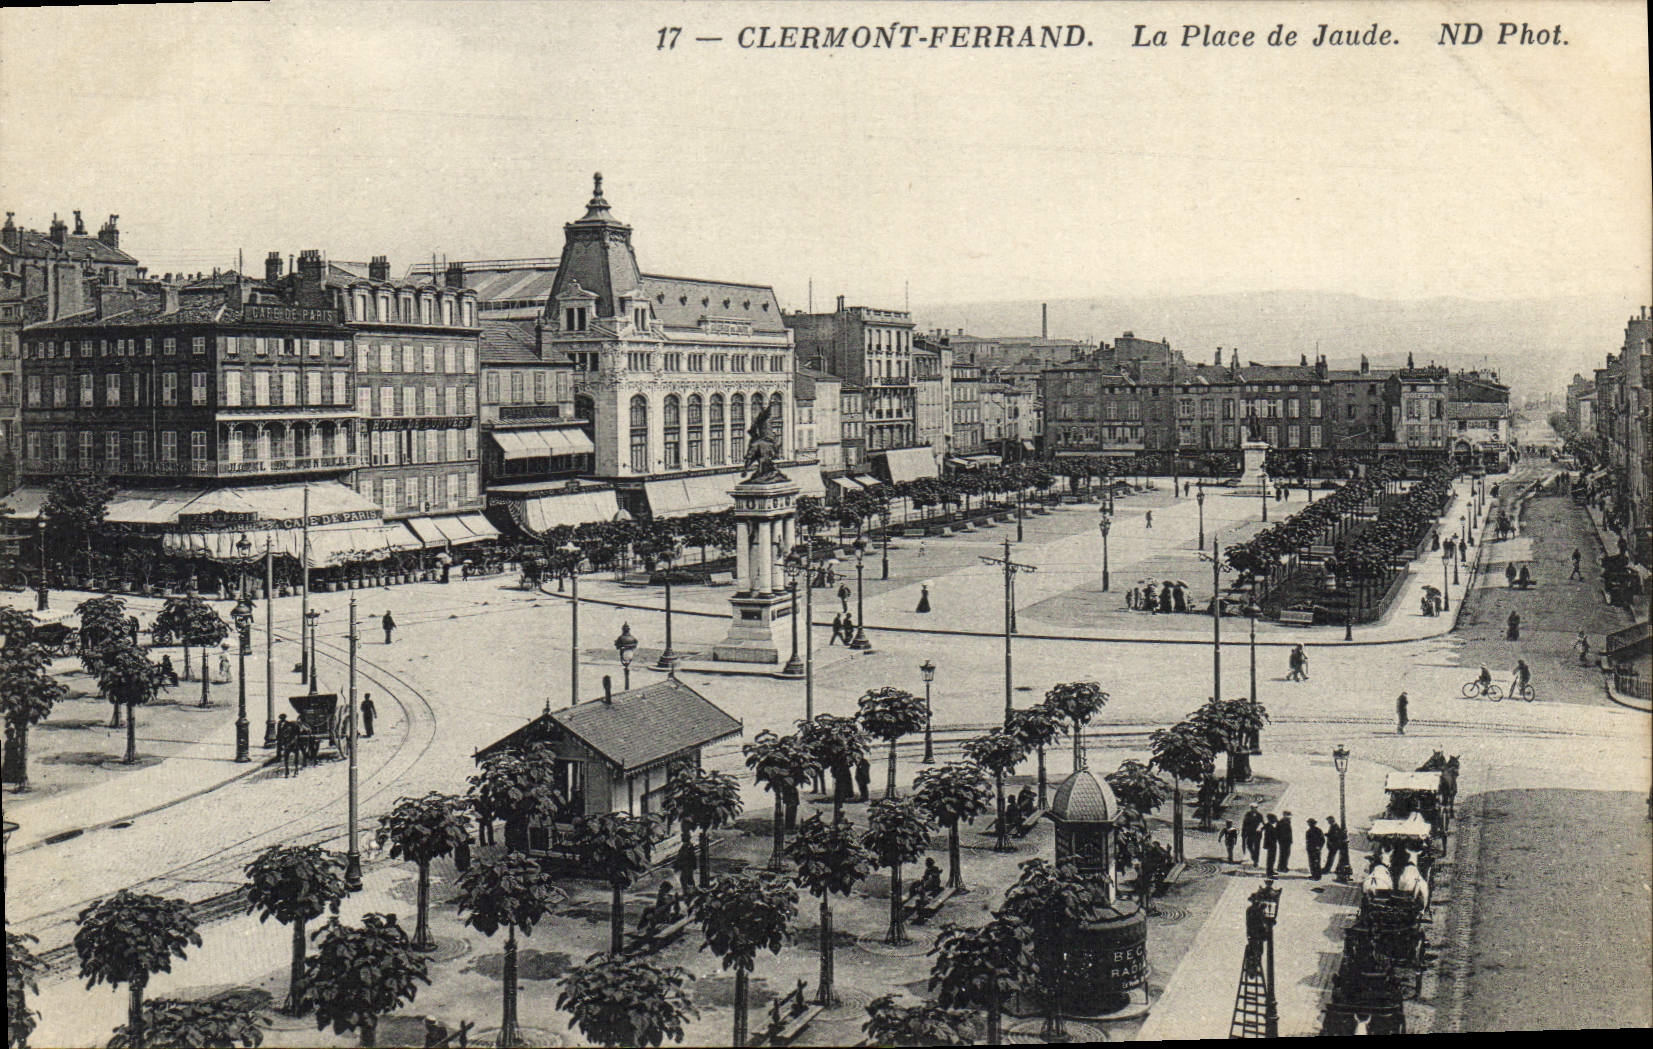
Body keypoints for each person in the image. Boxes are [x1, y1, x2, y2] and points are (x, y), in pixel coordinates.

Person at [1263, 813, 1279, 877]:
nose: (1275, 820)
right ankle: (1269, 873)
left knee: (1272, 858)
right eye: (1274, 818)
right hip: (1271, 845)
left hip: (1272, 844)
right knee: (1270, 859)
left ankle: (1271, 871)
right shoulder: (1269, 827)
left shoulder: (1268, 825)